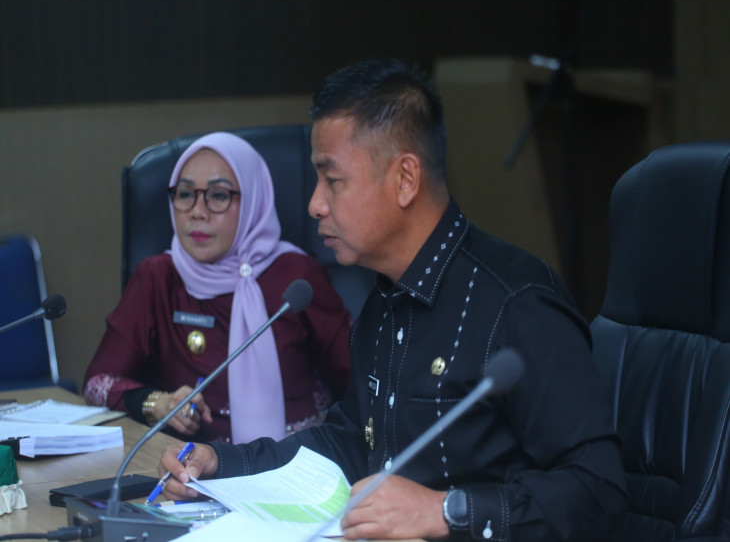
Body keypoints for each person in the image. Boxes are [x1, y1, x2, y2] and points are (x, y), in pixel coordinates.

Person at [157, 59, 627, 541]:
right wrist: (223, 463)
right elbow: (347, 440)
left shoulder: (516, 303)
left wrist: (446, 511)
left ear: (405, 179)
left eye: (332, 180)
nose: (315, 204)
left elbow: (599, 491)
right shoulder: (384, 297)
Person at [84, 131, 352, 444]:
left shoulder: (296, 275)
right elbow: (97, 383)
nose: (198, 212)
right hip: (192, 462)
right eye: (185, 194)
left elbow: (357, 378)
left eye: (219, 196)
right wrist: (158, 403)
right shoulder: (158, 277)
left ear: (253, 201)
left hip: (295, 459)